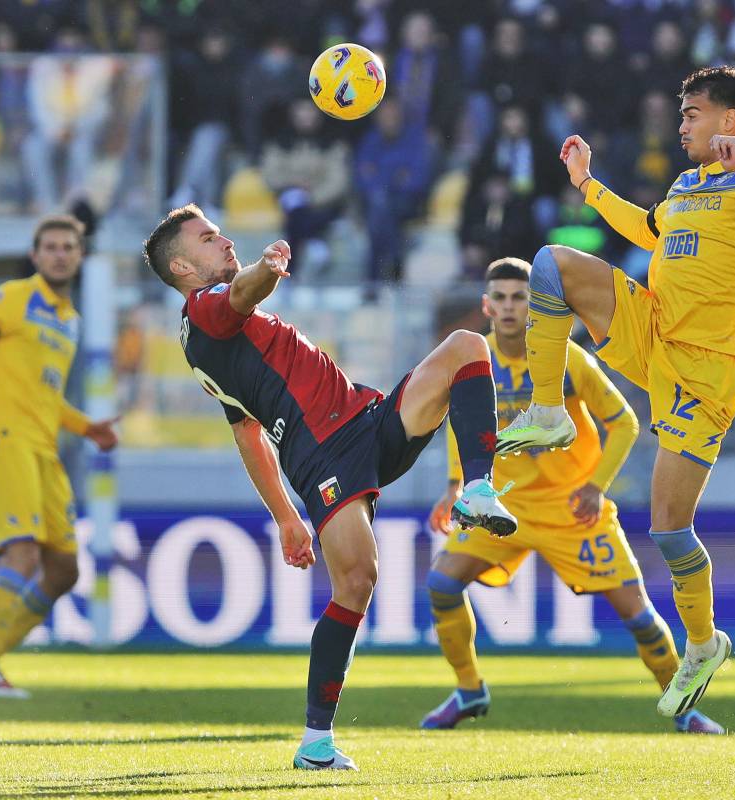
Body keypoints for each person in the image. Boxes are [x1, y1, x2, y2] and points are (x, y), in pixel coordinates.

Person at [496, 66, 735, 716]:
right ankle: (547, 411)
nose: (681, 123)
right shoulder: (687, 184)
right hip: (654, 326)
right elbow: (650, 231)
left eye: (693, 113)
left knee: (669, 527)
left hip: (707, 372)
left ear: (729, 121)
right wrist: (588, 187)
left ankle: (705, 643)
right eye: (682, 113)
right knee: (548, 265)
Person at [141, 204, 516, 771]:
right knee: (358, 581)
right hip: (323, 455)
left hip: (368, 420)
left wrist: (285, 517)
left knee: (466, 346)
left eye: (220, 232)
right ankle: (316, 740)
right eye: (208, 238)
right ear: (182, 267)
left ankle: (479, 487)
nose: (223, 241)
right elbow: (242, 296)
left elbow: (246, 432)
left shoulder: (216, 337)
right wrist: (267, 267)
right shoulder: (206, 311)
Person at [422, 258, 723, 735]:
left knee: (640, 617)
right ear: (485, 305)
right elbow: (463, 427)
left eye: (519, 297)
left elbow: (623, 422)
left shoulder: (568, 358)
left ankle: (687, 712)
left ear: (533, 304)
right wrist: (455, 485)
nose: (508, 307)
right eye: (499, 297)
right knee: (441, 586)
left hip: (573, 508)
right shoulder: (475, 363)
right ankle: (469, 689)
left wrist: (595, 485)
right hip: (507, 505)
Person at [0, 214, 119, 698]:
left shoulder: (69, 322)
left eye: (69, 247)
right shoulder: (11, 297)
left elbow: (48, 397)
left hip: (46, 449)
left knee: (64, 570)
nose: (60, 254)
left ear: (79, 257)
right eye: (51, 247)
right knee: (21, 553)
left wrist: (87, 427)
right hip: (5, 438)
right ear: (36, 255)